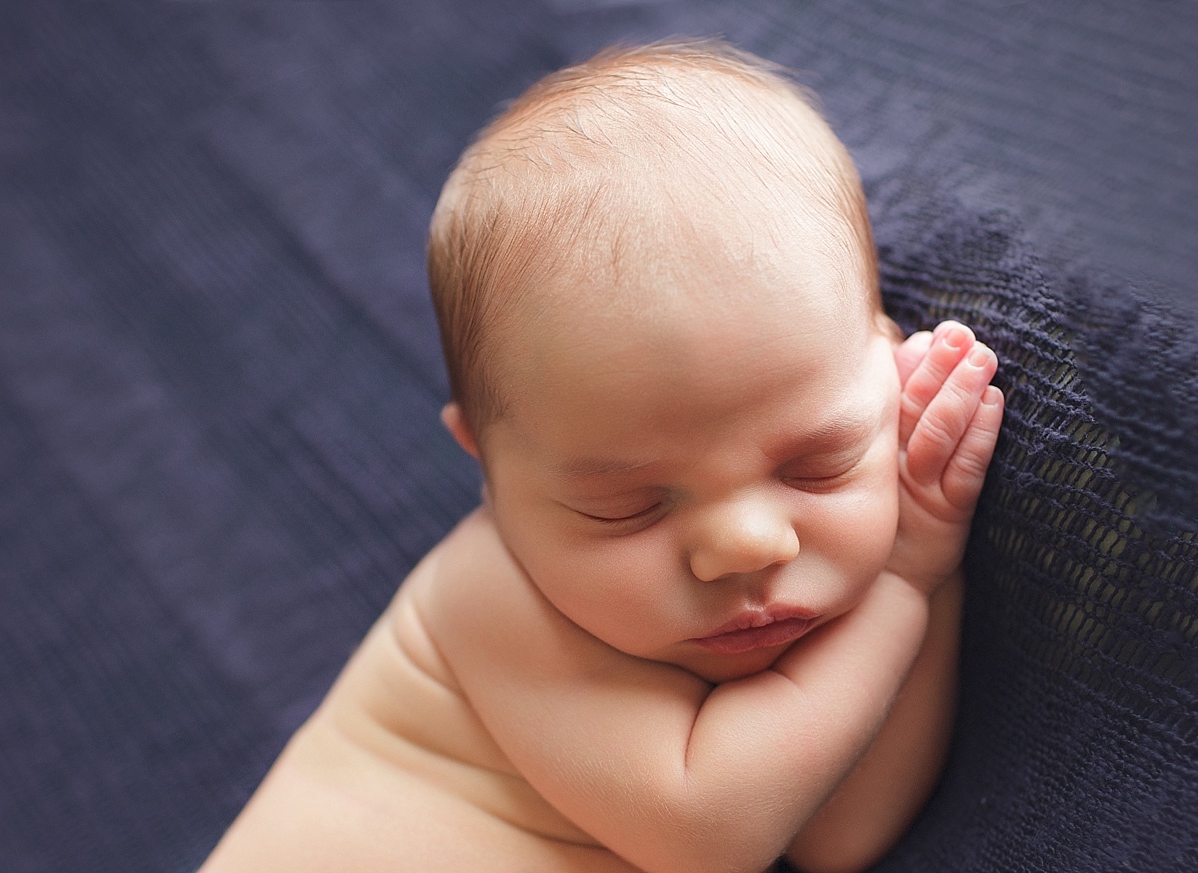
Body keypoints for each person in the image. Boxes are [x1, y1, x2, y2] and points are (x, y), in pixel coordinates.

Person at [199, 39, 1004, 873]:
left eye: (818, 463)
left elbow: (841, 836)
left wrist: (928, 585)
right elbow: (708, 832)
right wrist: (904, 579)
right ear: (491, 469)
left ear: (889, 366)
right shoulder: (490, 597)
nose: (745, 545)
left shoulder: (695, 614)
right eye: (628, 506)